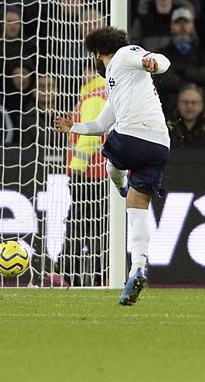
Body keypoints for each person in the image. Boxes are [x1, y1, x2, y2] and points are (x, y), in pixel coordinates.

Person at [54, 27, 172, 306]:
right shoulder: (116, 84)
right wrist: (74, 127)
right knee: (137, 209)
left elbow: (161, 60)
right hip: (159, 145)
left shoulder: (124, 55)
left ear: (97, 54)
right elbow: (100, 124)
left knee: (112, 160)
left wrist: (153, 63)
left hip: (132, 138)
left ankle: (120, 185)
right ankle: (137, 269)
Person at [168, 84, 205, 148]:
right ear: (178, 104)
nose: (189, 106)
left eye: (194, 102)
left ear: (202, 105)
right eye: (185, 102)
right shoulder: (168, 121)